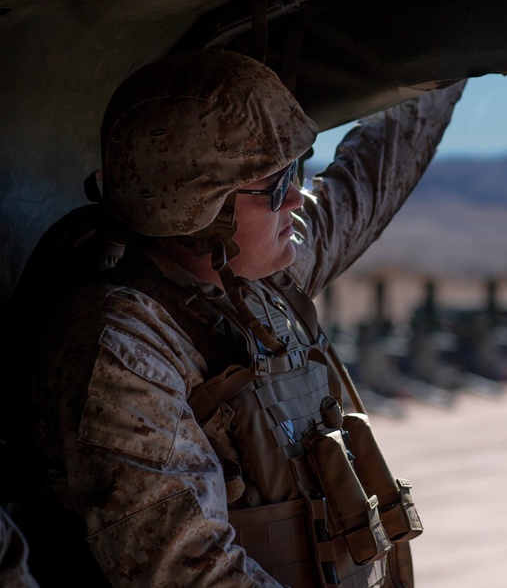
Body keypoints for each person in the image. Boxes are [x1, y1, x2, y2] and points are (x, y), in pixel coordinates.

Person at [23, 50, 465, 587]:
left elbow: (366, 185)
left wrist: (452, 62)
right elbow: (192, 573)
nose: (298, 198)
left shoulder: (256, 284)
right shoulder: (120, 351)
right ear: (196, 208)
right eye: (275, 186)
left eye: (296, 174)